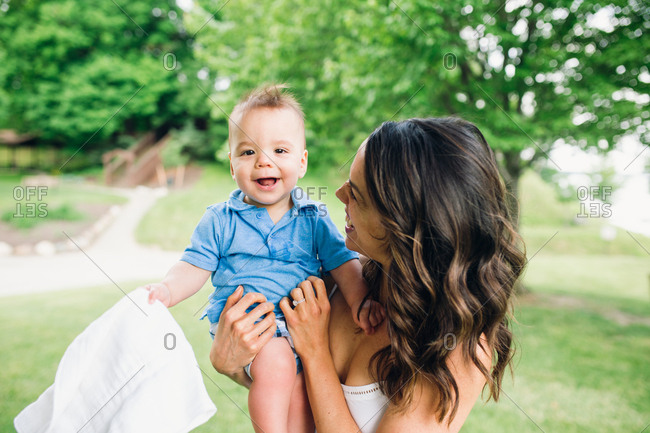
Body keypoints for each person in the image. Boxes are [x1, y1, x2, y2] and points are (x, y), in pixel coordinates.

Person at [209, 117, 527, 432]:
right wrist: (230, 363)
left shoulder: (457, 346)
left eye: (357, 193)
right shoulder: (342, 282)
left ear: (402, 220)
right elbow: (282, 386)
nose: (339, 194)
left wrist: (316, 352)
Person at [143, 84, 384, 433]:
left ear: (301, 162)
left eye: (280, 150)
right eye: (247, 152)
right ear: (231, 165)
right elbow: (194, 265)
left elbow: (344, 265)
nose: (263, 161)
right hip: (255, 325)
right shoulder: (220, 219)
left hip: (299, 328)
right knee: (276, 365)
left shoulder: (313, 218)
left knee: (303, 393)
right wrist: (167, 291)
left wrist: (361, 302)